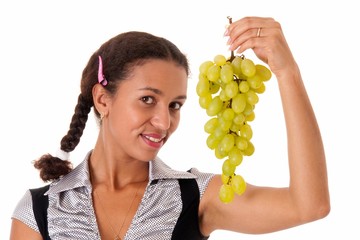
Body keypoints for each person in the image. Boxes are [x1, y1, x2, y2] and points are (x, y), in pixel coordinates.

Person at [10, 16, 330, 240]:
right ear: (103, 100)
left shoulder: (198, 196)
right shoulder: (39, 210)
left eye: (175, 105)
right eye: (148, 99)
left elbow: (309, 205)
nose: (165, 122)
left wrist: (288, 73)